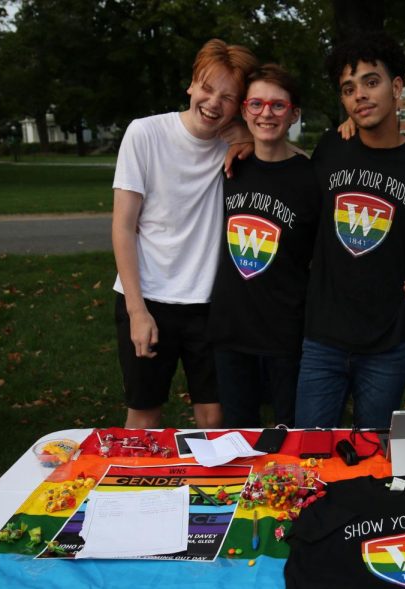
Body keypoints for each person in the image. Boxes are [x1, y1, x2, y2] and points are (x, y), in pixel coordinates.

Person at [294, 32, 405, 429]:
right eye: (349, 89)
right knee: (310, 454)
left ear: (397, 87)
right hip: (323, 337)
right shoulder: (332, 148)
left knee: (373, 459)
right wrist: (242, 142)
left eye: (371, 82)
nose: (360, 95)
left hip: (389, 340)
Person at [112, 39, 257, 429]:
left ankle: (208, 491)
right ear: (191, 85)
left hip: (210, 304)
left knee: (214, 417)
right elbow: (123, 226)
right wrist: (137, 311)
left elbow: (295, 165)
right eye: (208, 89)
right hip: (148, 299)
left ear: (239, 105)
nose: (213, 103)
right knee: (144, 415)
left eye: (228, 97)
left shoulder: (239, 148)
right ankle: (141, 491)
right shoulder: (144, 134)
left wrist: (246, 135)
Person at [208, 64, 320, 428]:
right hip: (231, 328)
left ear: (294, 114)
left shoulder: (312, 177)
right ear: (244, 111)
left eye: (277, 106)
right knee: (238, 435)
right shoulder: (228, 169)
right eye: (256, 104)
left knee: (290, 433)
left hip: (286, 329)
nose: (266, 114)